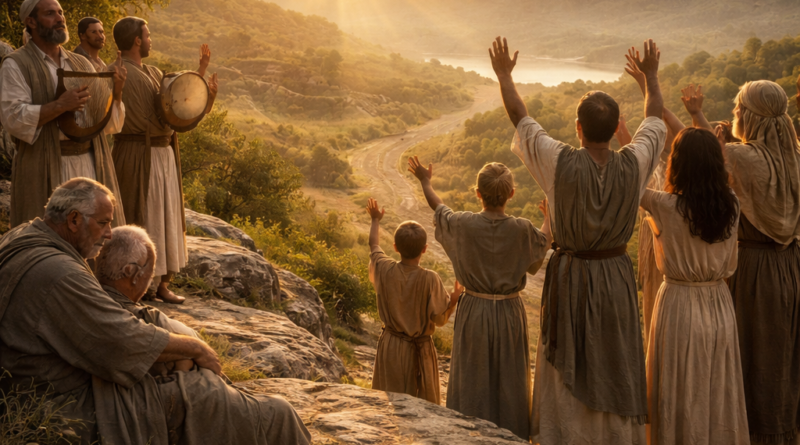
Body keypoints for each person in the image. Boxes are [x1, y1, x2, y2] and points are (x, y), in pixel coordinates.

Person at [0, 177, 312, 444]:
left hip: (32, 389)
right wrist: (196, 347)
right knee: (257, 409)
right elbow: (120, 343)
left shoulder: (22, 236)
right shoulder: (59, 272)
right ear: (73, 220)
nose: (109, 234)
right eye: (104, 223)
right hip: (62, 406)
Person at [492, 36, 667, 443]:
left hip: (571, 276)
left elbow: (520, 117)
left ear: (578, 128)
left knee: (567, 358)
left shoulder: (558, 163)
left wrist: (504, 74)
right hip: (616, 277)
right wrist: (652, 76)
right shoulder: (637, 162)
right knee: (615, 355)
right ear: (614, 128)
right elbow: (654, 117)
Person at [683, 79, 800, 444]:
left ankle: (750, 433)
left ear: (751, 116)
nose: (734, 112)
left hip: (752, 270)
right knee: (784, 357)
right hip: (792, 267)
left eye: (739, 108)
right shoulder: (795, 157)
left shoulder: (740, 158)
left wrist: (695, 116)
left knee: (751, 358)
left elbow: (706, 155)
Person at [408, 158, 551, 439]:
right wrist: (548, 217)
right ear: (511, 194)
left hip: (474, 310)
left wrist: (425, 180)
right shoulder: (522, 229)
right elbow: (543, 243)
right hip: (510, 312)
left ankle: (466, 437)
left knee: (472, 380)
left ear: (478, 193)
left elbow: (438, 207)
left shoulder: (463, 224)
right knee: (511, 382)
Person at [641, 127, 748, 444]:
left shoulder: (664, 205)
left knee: (680, 386)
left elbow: (629, 182)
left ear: (677, 164)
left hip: (679, 303)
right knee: (716, 389)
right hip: (718, 302)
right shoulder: (732, 204)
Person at [111, 17, 216, 304]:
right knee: (142, 214)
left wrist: (201, 76)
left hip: (163, 153)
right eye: (147, 35)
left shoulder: (155, 72)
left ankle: (161, 284)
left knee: (166, 215)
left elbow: (176, 106)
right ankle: (133, 282)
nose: (150, 40)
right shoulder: (117, 72)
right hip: (135, 153)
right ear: (136, 40)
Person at [0, 0, 128, 228]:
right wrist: (60, 105)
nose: (60, 18)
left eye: (61, 12)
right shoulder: (15, 64)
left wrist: (116, 94)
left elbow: (104, 124)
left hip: (89, 165)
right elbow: (13, 118)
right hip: (45, 166)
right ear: (31, 21)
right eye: (50, 13)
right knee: (50, 239)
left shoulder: (81, 63)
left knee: (91, 236)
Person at [615, 49, 685, 352]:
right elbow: (643, 149)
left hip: (667, 229)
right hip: (652, 230)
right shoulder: (659, 159)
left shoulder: (676, 159)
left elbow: (659, 119)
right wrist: (646, 83)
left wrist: (648, 82)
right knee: (652, 297)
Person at [366, 197, 461, 404]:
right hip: (420, 349)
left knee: (389, 404)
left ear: (396, 247)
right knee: (421, 408)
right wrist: (453, 299)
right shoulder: (430, 279)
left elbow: (373, 245)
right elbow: (439, 319)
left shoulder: (385, 268)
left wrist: (375, 220)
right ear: (424, 249)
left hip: (390, 347)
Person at [95, 225, 200, 377]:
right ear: (133, 274)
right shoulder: (161, 325)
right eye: (150, 274)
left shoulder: (79, 301)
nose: (150, 281)